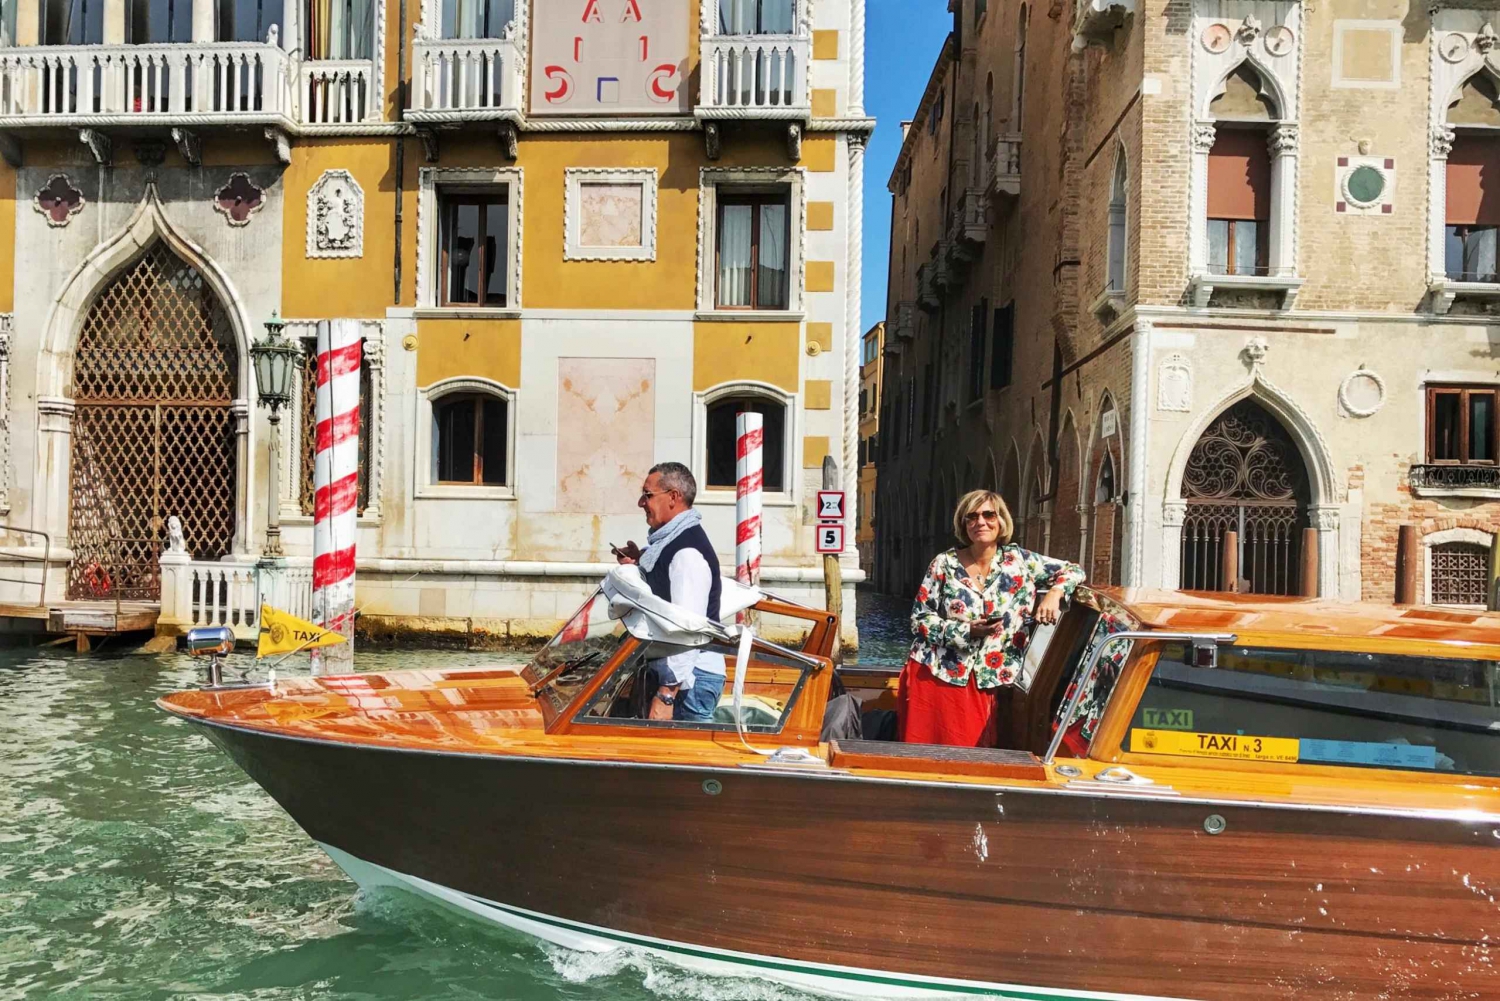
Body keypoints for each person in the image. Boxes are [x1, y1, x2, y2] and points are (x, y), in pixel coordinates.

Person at [898, 489, 1085, 747]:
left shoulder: (1020, 562)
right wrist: (966, 632)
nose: (980, 522)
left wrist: (1054, 593)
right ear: (963, 524)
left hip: (998, 676)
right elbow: (919, 619)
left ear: (1001, 521)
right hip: (941, 673)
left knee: (981, 758)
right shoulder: (944, 564)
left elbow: (1073, 570)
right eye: (971, 517)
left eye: (988, 515)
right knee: (939, 758)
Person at [613, 462, 728, 723]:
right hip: (679, 677)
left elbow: (688, 628)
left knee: (689, 761)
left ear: (673, 497)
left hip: (690, 681)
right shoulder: (669, 544)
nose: (641, 503)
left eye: (648, 495)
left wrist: (666, 694)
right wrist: (638, 564)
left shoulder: (686, 553)